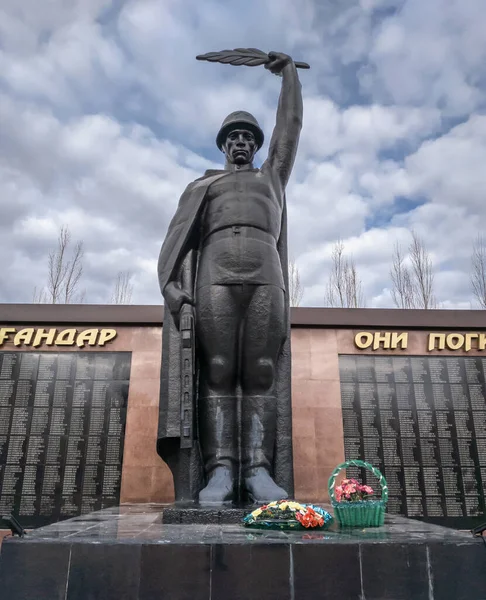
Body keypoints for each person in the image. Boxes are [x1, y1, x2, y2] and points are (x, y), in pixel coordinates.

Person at [157, 51, 303, 504]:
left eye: (247, 137)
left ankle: (259, 470)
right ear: (224, 146)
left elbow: (290, 128)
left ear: (256, 146)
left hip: (264, 271)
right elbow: (176, 241)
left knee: (260, 371)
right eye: (233, 137)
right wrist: (171, 287)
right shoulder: (204, 186)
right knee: (218, 370)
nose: (241, 143)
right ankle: (219, 470)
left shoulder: (271, 178)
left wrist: (289, 75)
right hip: (215, 274)